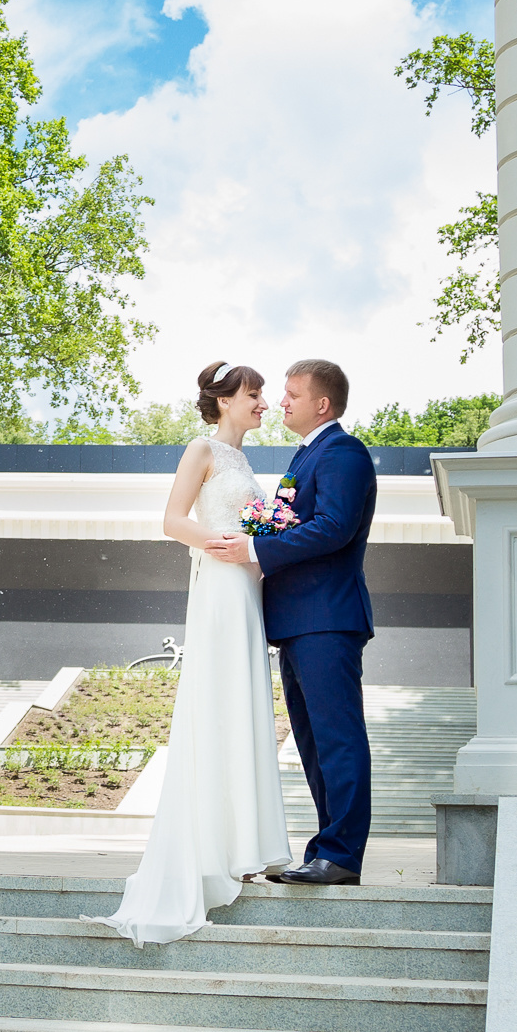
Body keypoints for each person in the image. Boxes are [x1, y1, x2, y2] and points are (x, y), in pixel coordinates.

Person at [90, 361, 291, 944]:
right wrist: (229, 544)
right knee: (218, 702)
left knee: (245, 703)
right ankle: (214, 845)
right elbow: (172, 521)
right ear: (225, 401)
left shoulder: (245, 462)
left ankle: (244, 845)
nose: (262, 403)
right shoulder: (200, 448)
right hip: (221, 583)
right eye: (253, 394)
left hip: (246, 586)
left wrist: (259, 543)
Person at [203, 358, 375, 886]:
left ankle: (342, 855)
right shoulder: (306, 457)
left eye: (292, 395)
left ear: (321, 404)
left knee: (337, 737)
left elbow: (334, 528)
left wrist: (254, 545)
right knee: (313, 740)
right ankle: (326, 849)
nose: (281, 403)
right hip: (298, 622)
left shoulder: (342, 452)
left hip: (326, 618)